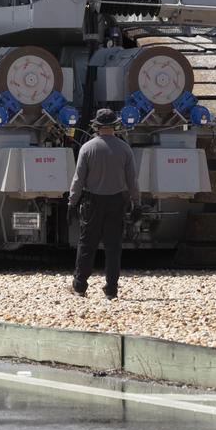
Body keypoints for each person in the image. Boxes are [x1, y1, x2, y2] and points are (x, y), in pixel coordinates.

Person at [68, 108, 141, 300]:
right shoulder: (125, 149)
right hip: (117, 201)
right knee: (113, 246)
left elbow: (78, 179)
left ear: (96, 126)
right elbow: (132, 180)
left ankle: (80, 286)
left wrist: (72, 202)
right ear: (115, 126)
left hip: (92, 201)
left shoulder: (87, 148)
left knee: (86, 245)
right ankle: (111, 289)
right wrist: (137, 203)